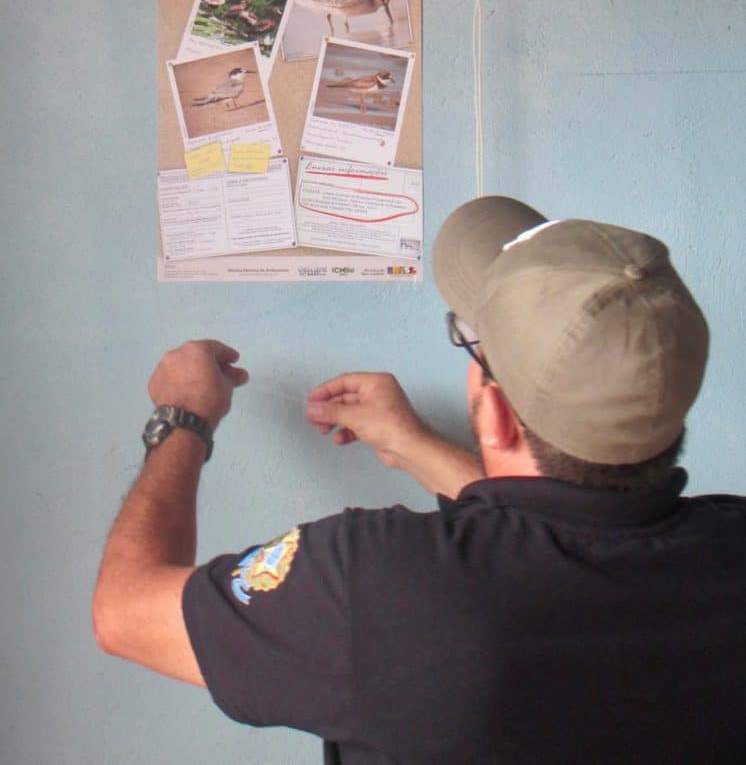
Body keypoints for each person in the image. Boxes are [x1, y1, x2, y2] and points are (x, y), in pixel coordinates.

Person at [93, 196, 746, 764]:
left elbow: (124, 612)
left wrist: (182, 416)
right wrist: (415, 446)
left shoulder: (374, 584)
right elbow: (563, 537)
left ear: (491, 410)